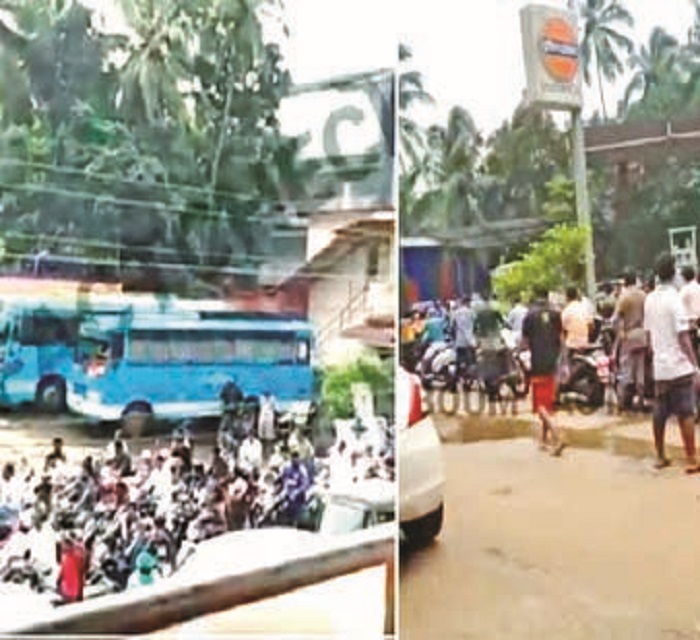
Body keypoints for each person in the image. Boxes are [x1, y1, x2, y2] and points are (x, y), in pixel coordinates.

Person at [644, 253, 700, 473]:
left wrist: (655, 357)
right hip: (679, 365)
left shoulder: (650, 299)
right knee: (686, 412)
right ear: (674, 272)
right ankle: (692, 459)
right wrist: (694, 365)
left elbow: (649, 336)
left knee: (659, 411)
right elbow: (683, 337)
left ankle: (660, 456)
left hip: (661, 367)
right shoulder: (674, 299)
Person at [521, 287, 566, 456]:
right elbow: (562, 340)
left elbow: (524, 342)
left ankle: (557, 436)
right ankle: (543, 439)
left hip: (538, 363)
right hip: (553, 362)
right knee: (547, 403)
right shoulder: (555, 314)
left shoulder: (530, 316)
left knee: (539, 405)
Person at [614, 270, 648, 411]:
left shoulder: (624, 297)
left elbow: (617, 319)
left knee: (626, 371)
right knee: (640, 371)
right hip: (642, 335)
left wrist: (620, 334)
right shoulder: (643, 295)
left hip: (629, 336)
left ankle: (621, 404)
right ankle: (640, 401)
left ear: (625, 282)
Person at [561, 286, 593, 353]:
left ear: (567, 297)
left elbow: (562, 328)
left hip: (572, 345)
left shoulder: (566, 310)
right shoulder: (584, 308)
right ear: (577, 295)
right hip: (585, 343)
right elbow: (591, 325)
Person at [452, 296, 476, 375]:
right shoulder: (471, 312)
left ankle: (455, 381)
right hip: (471, 341)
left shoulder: (456, 312)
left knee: (458, 362)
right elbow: (476, 326)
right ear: (467, 302)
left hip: (460, 341)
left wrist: (454, 337)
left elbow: (453, 326)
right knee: (473, 361)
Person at [257, 391, 277, 462]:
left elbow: (274, 409)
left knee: (269, 440)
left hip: (269, 420)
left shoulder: (273, 399)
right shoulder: (261, 398)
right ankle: (262, 457)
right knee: (262, 440)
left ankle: (268, 457)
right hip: (263, 419)